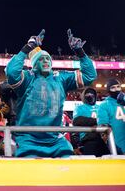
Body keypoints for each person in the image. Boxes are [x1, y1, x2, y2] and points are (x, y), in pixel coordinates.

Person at [5, 29, 97, 158]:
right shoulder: (28, 78)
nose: (46, 61)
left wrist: (80, 52)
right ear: (35, 64)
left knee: (68, 170)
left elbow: (89, 76)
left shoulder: (61, 78)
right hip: (28, 139)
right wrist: (28, 47)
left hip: (55, 140)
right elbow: (11, 72)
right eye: (41, 59)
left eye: (48, 59)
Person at [72, 87, 110, 156]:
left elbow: (108, 121)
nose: (90, 96)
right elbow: (77, 121)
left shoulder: (100, 107)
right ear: (84, 96)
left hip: (102, 139)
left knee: (108, 158)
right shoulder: (80, 108)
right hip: (87, 138)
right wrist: (98, 121)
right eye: (87, 94)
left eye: (92, 94)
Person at [97, 78, 125, 154]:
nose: (116, 89)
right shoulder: (104, 105)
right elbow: (103, 126)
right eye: (113, 87)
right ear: (108, 90)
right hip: (117, 145)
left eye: (118, 86)